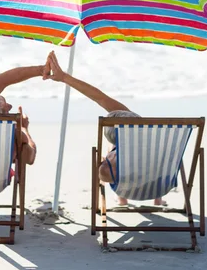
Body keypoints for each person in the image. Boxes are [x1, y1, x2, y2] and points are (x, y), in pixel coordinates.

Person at [43, 51, 166, 207]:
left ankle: (121, 198)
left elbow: (105, 175)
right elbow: (102, 98)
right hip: (158, 186)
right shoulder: (149, 135)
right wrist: (65, 77)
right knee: (135, 144)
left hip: (126, 187)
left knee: (114, 151)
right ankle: (158, 200)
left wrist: (104, 161)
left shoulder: (115, 163)